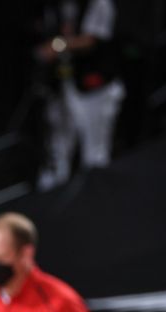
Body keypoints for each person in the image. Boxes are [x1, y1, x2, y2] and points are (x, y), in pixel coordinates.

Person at [35, 0, 124, 190]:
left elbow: (92, 40)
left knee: (94, 153)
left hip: (95, 87)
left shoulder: (99, 3)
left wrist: (58, 45)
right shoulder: (58, 6)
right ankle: (52, 195)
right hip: (63, 84)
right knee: (58, 147)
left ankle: (96, 198)